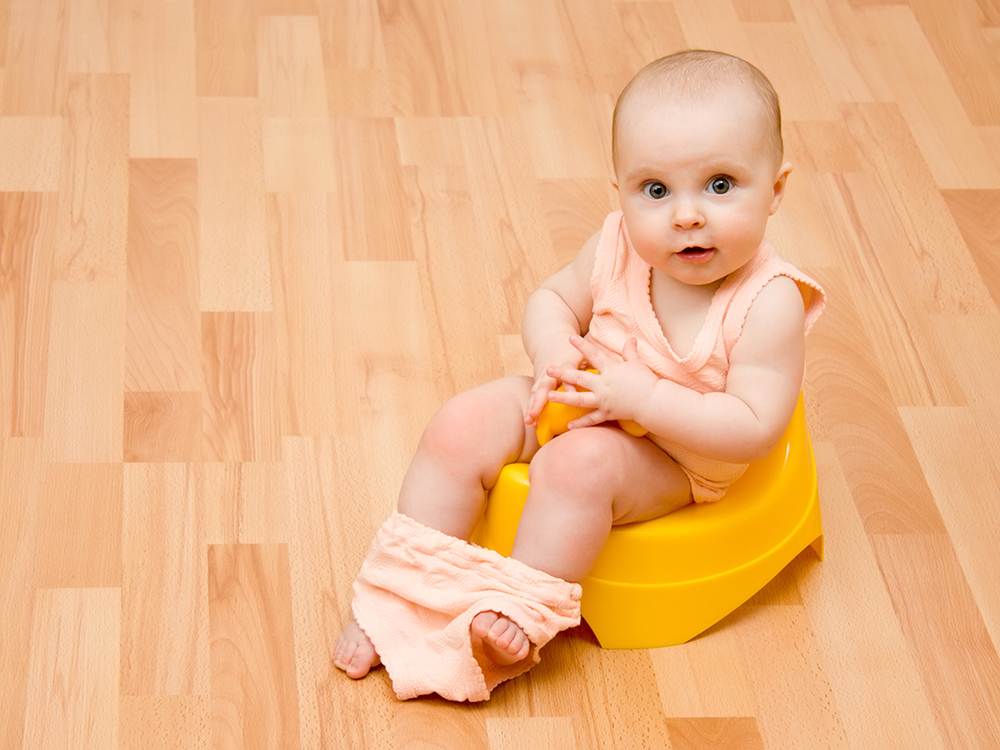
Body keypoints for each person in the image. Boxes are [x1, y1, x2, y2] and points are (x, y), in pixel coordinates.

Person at [333, 49, 825, 702]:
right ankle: (402, 599)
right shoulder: (618, 243)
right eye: (656, 190)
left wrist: (645, 400)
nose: (686, 215)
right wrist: (553, 351)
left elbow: (756, 428)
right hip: (581, 393)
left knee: (578, 466)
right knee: (458, 425)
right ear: (621, 190)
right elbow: (555, 299)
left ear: (776, 190)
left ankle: (519, 611)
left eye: (721, 184)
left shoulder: (769, 303)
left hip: (674, 456)